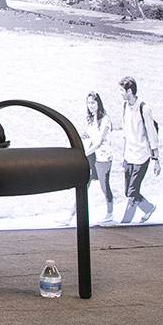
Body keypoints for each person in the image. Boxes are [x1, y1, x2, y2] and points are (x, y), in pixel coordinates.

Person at [66, 92, 114, 225]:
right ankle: (70, 216)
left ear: (98, 103)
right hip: (93, 157)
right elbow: (90, 135)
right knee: (83, 184)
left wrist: (84, 153)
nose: (91, 105)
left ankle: (110, 214)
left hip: (103, 157)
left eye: (93, 102)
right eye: (89, 103)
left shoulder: (105, 120)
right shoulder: (91, 119)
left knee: (105, 187)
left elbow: (98, 142)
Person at [117, 76, 159, 224]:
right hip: (129, 156)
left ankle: (124, 223)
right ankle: (149, 208)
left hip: (142, 156)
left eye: (122, 90)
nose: (120, 93)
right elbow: (126, 134)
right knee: (128, 191)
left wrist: (156, 160)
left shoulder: (144, 109)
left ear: (129, 91)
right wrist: (123, 157)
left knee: (132, 194)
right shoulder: (124, 106)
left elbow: (152, 135)